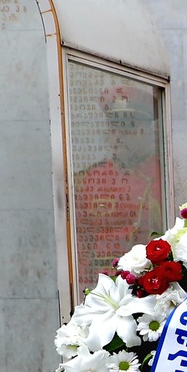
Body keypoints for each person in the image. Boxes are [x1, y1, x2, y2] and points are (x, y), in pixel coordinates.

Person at [73, 85, 165, 281]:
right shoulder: (90, 179)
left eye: (127, 127)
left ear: (145, 131)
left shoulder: (162, 174)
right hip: (102, 282)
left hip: (150, 282)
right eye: (114, 127)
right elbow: (80, 246)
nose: (118, 136)